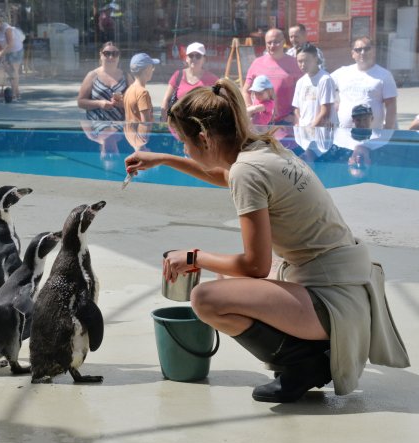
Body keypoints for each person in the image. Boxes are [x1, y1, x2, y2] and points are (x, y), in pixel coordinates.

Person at [125, 78, 410, 403]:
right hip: (347, 282)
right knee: (227, 278)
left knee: (206, 299)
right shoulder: (263, 150)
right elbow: (223, 175)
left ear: (203, 138)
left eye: (183, 144)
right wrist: (163, 159)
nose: (184, 150)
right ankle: (309, 351)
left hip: (333, 301)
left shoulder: (248, 172)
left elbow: (256, 266)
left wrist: (192, 257)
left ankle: (304, 364)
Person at [331, 37, 398, 129]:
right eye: (358, 50)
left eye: (366, 49)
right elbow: (322, 86)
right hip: (344, 136)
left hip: (373, 137)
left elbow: (391, 106)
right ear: (353, 54)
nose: (362, 52)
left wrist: (388, 132)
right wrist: (333, 103)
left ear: (373, 51)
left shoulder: (384, 75)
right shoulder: (342, 73)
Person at [242, 29, 303, 125]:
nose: (272, 46)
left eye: (276, 42)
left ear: (283, 42)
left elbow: (302, 93)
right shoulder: (257, 63)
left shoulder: (294, 63)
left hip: (285, 122)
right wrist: (251, 109)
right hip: (261, 121)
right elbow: (245, 91)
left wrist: (295, 115)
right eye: (269, 43)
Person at [160, 42, 218, 122]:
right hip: (178, 126)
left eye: (198, 56)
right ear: (186, 58)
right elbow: (166, 100)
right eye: (191, 56)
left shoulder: (212, 79)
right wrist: (164, 122)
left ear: (204, 59)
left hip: (201, 127)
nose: (194, 59)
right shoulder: (178, 75)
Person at [77, 42, 130, 122]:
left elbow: (137, 101)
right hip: (97, 128)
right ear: (101, 55)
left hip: (121, 128)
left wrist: (124, 104)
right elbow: (80, 102)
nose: (111, 57)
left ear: (119, 56)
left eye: (115, 54)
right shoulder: (92, 75)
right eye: (107, 53)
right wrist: (99, 103)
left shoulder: (126, 76)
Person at [292, 44, 337, 127]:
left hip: (321, 134)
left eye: (306, 60)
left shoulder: (325, 79)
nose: (303, 65)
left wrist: (312, 129)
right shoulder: (300, 82)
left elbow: (325, 110)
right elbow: (296, 109)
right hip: (304, 133)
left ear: (315, 58)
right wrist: (299, 126)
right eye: (300, 61)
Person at [0, 16, 25, 101]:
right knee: (9, 72)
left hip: (16, 51)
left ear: (0, 22)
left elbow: (10, 44)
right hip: (8, 51)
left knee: (13, 71)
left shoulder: (7, 29)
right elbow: (2, 43)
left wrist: (1, 53)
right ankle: (17, 93)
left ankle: (14, 94)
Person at [124, 53, 159, 123]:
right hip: (140, 133)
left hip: (130, 133)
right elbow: (146, 124)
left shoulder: (129, 90)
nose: (153, 70)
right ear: (146, 70)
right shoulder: (143, 93)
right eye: (152, 67)